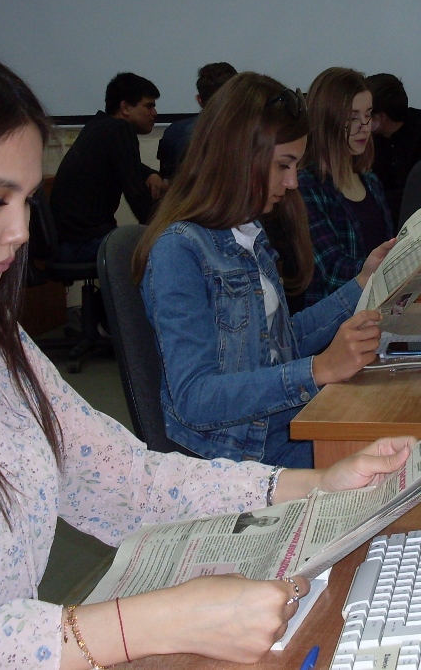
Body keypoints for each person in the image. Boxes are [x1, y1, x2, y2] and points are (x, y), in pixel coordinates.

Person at [0, 50, 413, 669]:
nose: (21, 231)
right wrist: (160, 622)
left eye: (26, 201)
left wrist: (313, 486)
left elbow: (120, 478)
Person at [137, 72, 393, 468]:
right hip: (244, 453)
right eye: (283, 165)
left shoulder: (247, 233)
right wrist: (317, 369)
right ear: (239, 156)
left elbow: (280, 342)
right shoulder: (179, 251)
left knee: (407, 427)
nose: (292, 182)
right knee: (397, 455)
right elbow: (194, 398)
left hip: (284, 423)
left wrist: (363, 282)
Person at [296, 68, 395, 308]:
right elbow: (333, 271)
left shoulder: (370, 181)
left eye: (368, 115)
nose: (365, 127)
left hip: (379, 310)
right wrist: (394, 264)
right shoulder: (306, 187)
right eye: (352, 118)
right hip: (336, 321)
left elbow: (386, 248)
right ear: (326, 121)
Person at [49, 72, 166, 264]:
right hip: (82, 245)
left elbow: (127, 165)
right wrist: (164, 230)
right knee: (168, 250)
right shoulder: (120, 130)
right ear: (125, 108)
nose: (155, 113)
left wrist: (151, 174)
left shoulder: (99, 126)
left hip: (66, 243)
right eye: (149, 106)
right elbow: (137, 196)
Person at [366, 72, 421, 223]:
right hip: (384, 216)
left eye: (367, 114)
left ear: (381, 117)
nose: (362, 121)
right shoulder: (369, 137)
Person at [156, 61, 238, 180]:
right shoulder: (257, 132)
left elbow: (167, 177)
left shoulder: (174, 133)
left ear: (199, 100)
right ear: (239, 97)